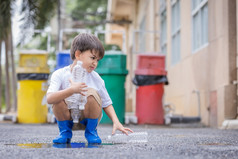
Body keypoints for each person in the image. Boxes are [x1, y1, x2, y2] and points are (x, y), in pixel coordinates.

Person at [46, 33, 133, 144]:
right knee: (57, 97)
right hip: (67, 117)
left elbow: (107, 103)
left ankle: (91, 132)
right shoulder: (60, 74)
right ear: (78, 54)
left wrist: (116, 122)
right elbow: (49, 98)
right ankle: (65, 133)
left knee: (91, 93)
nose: (95, 63)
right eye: (92, 58)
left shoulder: (96, 78)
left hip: (87, 118)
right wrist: (71, 90)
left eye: (97, 60)